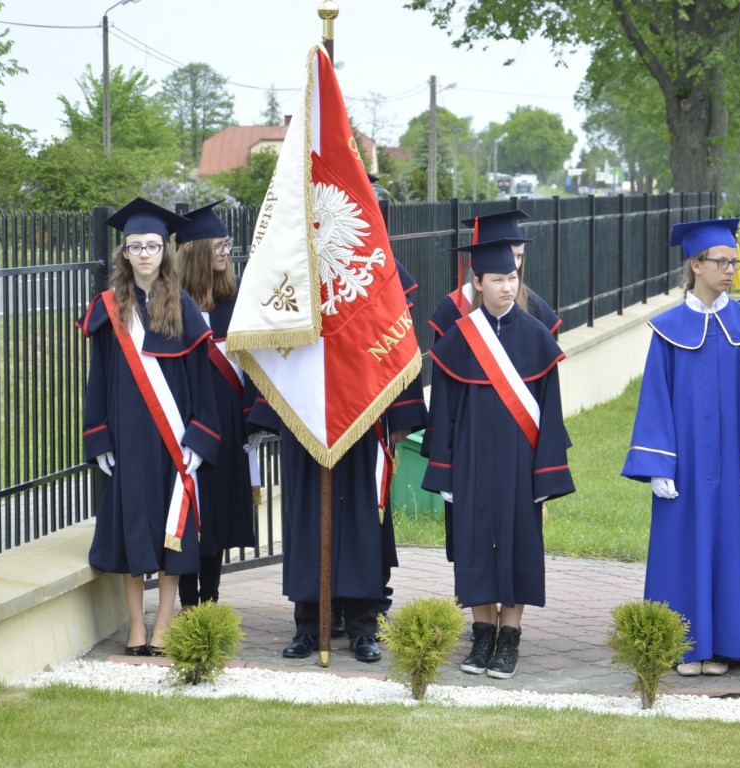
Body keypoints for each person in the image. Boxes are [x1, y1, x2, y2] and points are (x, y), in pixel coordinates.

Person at [622, 218, 740, 676]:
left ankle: (724, 647)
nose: (730, 268)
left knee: (731, 544)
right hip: (685, 462)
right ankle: (683, 645)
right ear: (695, 265)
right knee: (683, 545)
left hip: (735, 461)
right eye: (721, 261)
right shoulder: (668, 329)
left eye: (735, 261)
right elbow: (655, 397)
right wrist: (658, 465)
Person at [249, 263, 427, 664]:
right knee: (308, 518)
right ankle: (310, 625)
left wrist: (402, 414)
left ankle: (364, 626)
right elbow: (276, 338)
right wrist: (273, 409)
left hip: (366, 410)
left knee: (363, 522)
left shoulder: (370, 262)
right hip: (306, 411)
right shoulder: (294, 263)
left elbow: (397, 335)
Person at [423, 240, 574, 679]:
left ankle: (510, 637)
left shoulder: (537, 338)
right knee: (474, 543)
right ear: (477, 283)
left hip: (519, 462)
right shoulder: (457, 341)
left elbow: (550, 412)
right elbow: (445, 413)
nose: (508, 286)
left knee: (517, 542)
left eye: (512, 278)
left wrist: (545, 475)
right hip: (470, 460)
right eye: (497, 279)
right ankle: (482, 632)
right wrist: (445, 471)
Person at [78, 197, 221, 656]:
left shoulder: (181, 306)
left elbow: (202, 379)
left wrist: (199, 436)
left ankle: (163, 625)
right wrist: (98, 435)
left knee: (172, 533)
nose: (144, 254)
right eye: (135, 246)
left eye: (153, 246)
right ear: (123, 252)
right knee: (132, 531)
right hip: (127, 440)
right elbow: (98, 377)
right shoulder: (107, 309)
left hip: (172, 442)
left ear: (166, 251)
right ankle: (136, 627)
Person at [173, 201, 257, 611]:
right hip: (188, 424)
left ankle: (210, 600)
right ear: (194, 252)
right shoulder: (171, 306)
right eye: (218, 246)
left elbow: (256, 363)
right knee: (191, 509)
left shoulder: (236, 302)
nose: (226, 252)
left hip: (227, 422)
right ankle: (189, 602)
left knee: (219, 512)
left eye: (228, 245)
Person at [428, 209, 560, 339]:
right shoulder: (455, 307)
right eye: (510, 255)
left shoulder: (531, 302)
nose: (513, 265)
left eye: (519, 256)